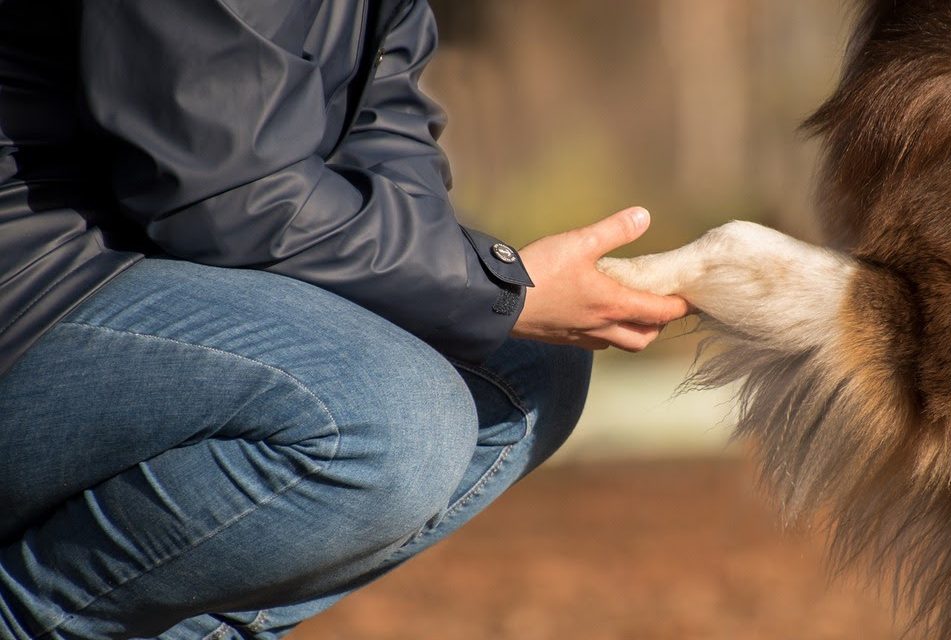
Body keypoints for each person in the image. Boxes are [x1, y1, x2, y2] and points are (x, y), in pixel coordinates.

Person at [0, 0, 689, 637]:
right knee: (388, 421)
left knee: (527, 366)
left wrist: (488, 292)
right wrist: (498, 290)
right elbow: (227, 194)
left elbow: (383, 131)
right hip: (33, 290)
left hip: (146, 265)